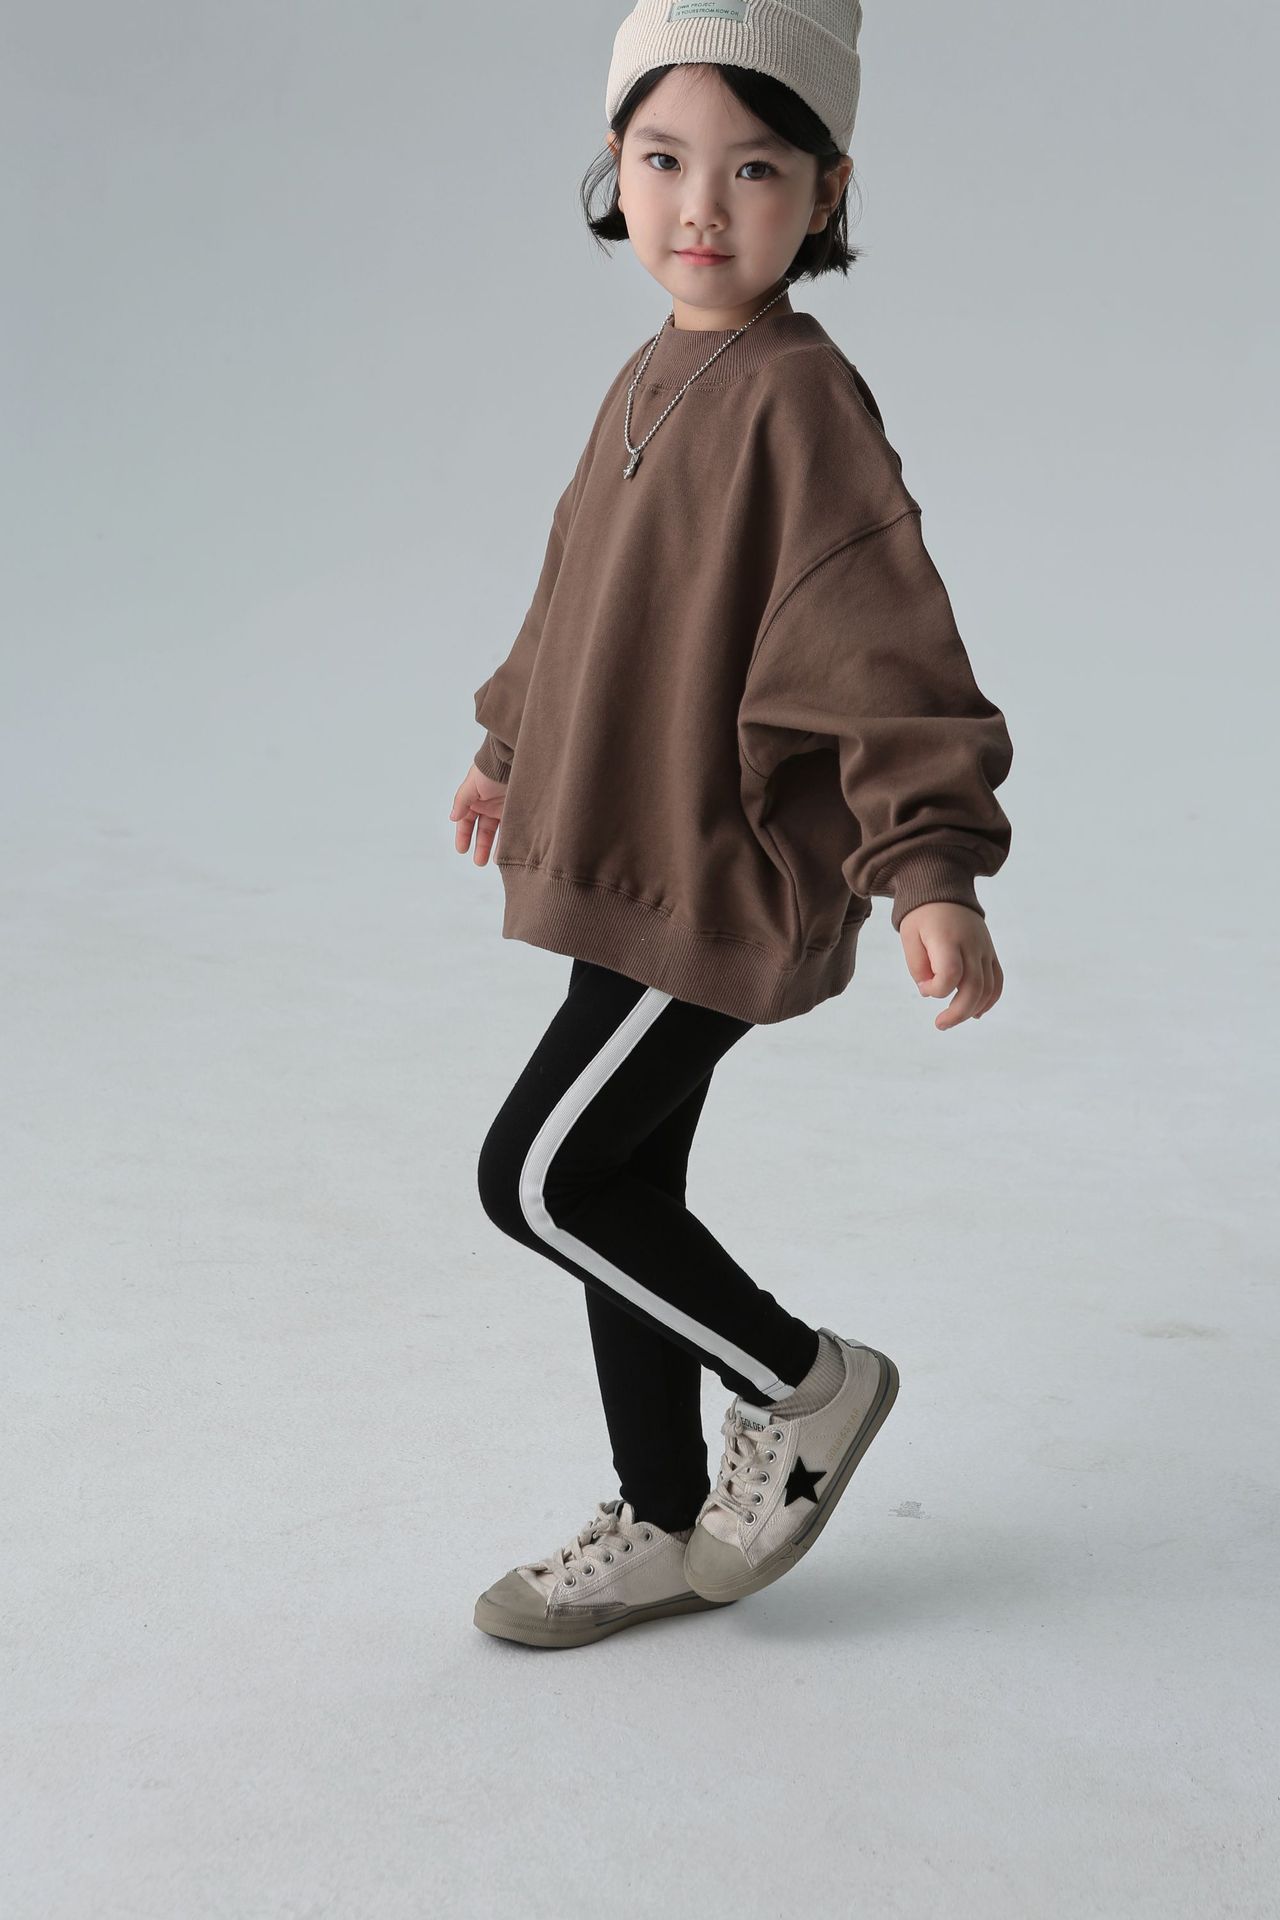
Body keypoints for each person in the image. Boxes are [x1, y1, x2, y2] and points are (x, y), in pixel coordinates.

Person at [450, 0, 1014, 1650]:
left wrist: (929, 866)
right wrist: (507, 741)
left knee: (539, 1179)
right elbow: (577, 587)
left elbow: (885, 645)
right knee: (625, 1184)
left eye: (755, 169)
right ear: (614, 171)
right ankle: (662, 1511)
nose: (701, 206)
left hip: (716, 870)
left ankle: (805, 1384)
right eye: (663, 158)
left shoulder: (801, 400)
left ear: (826, 193)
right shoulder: (652, 369)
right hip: (622, 854)